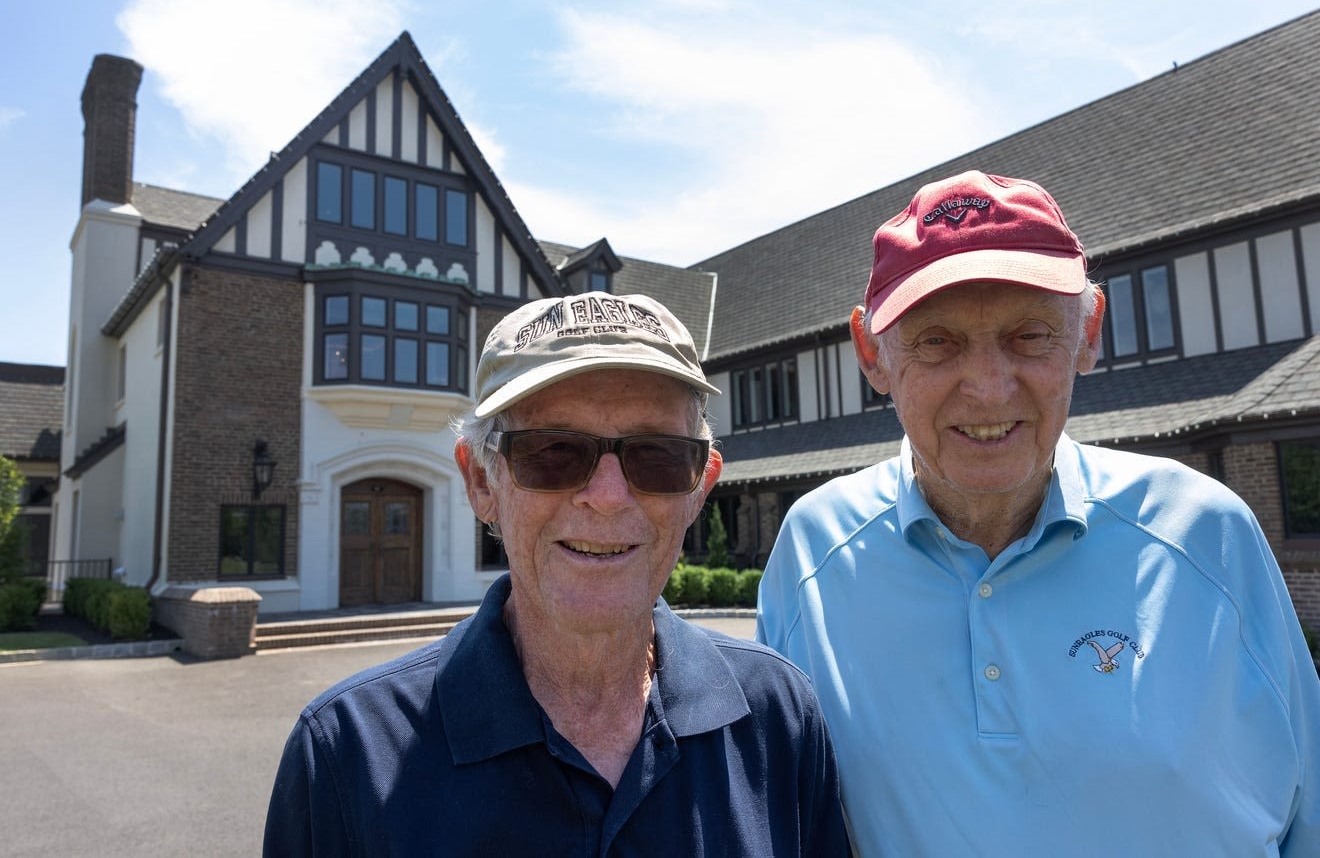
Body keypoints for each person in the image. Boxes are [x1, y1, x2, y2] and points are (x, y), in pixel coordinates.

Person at [757, 170, 1320, 856]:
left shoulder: (1206, 531)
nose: (990, 389)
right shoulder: (814, 549)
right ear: (872, 353)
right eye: (938, 340)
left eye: (1029, 335)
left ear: (1089, 333)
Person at [265, 291, 850, 856]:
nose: (608, 496)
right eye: (553, 452)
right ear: (480, 482)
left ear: (701, 488)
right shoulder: (347, 753)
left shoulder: (780, 718)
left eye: (657, 455)